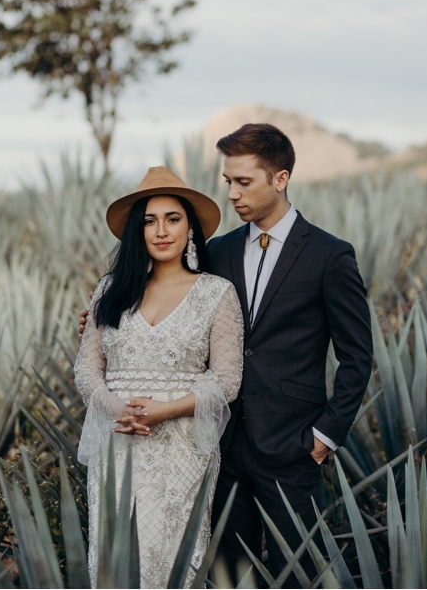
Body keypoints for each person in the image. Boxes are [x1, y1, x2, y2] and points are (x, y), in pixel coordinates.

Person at [79, 123, 373, 586]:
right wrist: (102, 319)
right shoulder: (218, 250)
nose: (233, 194)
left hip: (292, 445)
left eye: (244, 182)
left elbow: (358, 357)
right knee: (228, 575)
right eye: (228, 182)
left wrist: (324, 437)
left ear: (280, 178)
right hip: (220, 444)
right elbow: (170, 298)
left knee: (297, 572)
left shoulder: (328, 256)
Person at [74, 166, 245, 589]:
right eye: (149, 221)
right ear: (138, 231)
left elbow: (227, 380)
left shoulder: (216, 293)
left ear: (190, 228)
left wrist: (165, 410)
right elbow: (87, 367)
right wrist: (119, 408)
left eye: (173, 219)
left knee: (170, 563)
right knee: (114, 562)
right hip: (117, 440)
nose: (161, 230)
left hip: (181, 447)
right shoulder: (111, 289)